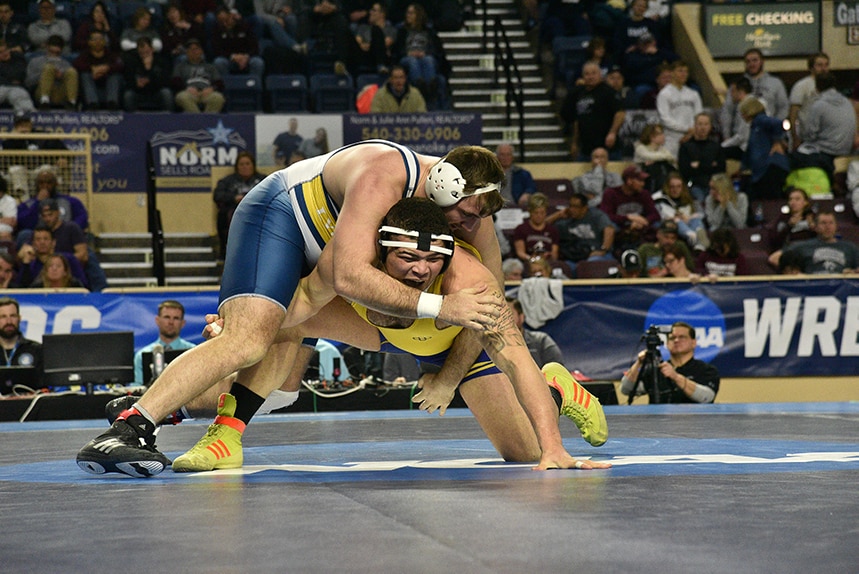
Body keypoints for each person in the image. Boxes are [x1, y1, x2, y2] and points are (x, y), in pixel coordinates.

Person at [75, 141, 513, 478]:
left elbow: (490, 304)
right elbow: (350, 277)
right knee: (248, 340)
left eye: (475, 218)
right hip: (284, 218)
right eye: (463, 215)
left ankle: (167, 403)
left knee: (281, 390)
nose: (467, 227)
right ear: (442, 185)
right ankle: (128, 429)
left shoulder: (470, 208)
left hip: (332, 264)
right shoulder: (383, 174)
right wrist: (443, 305)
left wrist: (451, 374)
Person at [169, 197, 609, 472]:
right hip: (381, 329)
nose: (421, 271)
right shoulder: (349, 265)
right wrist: (237, 326)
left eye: (432, 261)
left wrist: (553, 447)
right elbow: (293, 306)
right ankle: (226, 434)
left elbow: (515, 359)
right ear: (380, 251)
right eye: (407, 258)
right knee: (290, 325)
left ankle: (557, 390)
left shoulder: (472, 283)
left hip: (458, 343)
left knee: (525, 452)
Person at [620, 321, 719, 404]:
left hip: (693, 421)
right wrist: (638, 363)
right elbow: (626, 389)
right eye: (672, 338)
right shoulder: (656, 369)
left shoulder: (706, 370)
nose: (676, 340)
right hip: (658, 420)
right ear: (667, 344)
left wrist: (675, 377)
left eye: (682, 337)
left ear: (694, 343)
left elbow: (707, 397)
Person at [790, 72, 856, 184]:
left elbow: (809, 134)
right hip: (846, 149)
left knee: (793, 158)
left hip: (826, 152)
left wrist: (798, 135)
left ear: (817, 87)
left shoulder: (819, 105)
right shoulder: (846, 102)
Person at [560, 61, 625, 161]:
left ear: (600, 75)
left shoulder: (608, 91)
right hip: (586, 150)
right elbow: (577, 120)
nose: (590, 77)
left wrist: (612, 133)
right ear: (582, 76)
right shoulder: (579, 93)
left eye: (594, 73)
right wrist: (574, 142)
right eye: (587, 74)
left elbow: (620, 113)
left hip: (608, 149)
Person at [391, 3, 448, 108]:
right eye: (407, 13)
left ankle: (430, 88)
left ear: (418, 15)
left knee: (428, 60)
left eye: (411, 13)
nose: (408, 15)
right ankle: (420, 88)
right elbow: (397, 50)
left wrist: (424, 53)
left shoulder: (429, 31)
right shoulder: (402, 31)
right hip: (407, 57)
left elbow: (436, 49)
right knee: (413, 61)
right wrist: (408, 53)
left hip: (425, 56)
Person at [769, 209, 859, 275]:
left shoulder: (850, 248)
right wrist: (796, 273)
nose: (827, 227)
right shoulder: (804, 246)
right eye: (823, 223)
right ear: (815, 227)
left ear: (836, 226)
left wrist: (853, 273)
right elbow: (774, 258)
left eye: (831, 223)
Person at [547, 192, 616, 277]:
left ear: (584, 208)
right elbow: (541, 227)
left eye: (575, 207)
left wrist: (603, 250)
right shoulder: (565, 221)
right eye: (570, 206)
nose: (572, 209)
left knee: (590, 264)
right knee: (564, 267)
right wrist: (557, 215)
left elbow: (609, 230)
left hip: (598, 255)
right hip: (576, 258)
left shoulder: (596, 215)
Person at [213, 152, 265, 261]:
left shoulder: (264, 181)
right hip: (234, 212)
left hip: (259, 212)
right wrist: (234, 198)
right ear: (237, 167)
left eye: (247, 164)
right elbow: (218, 196)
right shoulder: (227, 181)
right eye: (241, 164)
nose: (245, 167)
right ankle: (225, 251)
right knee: (222, 215)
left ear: (253, 165)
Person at [133, 300, 198, 385]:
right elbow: (138, 387)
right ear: (157, 320)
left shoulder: (193, 352)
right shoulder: (141, 356)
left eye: (176, 318)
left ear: (183, 323)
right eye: (167, 317)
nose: (171, 322)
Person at [599, 165, 661, 254]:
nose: (643, 184)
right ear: (629, 181)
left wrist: (644, 221)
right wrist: (628, 218)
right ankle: (609, 252)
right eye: (640, 181)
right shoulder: (611, 193)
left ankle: (655, 251)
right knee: (610, 226)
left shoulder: (644, 194)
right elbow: (605, 216)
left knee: (658, 225)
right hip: (620, 226)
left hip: (640, 225)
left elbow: (655, 214)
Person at [739, 95, 790, 201]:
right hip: (764, 169)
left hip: (769, 168)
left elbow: (778, 123)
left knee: (770, 201)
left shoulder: (760, 120)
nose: (741, 116)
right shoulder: (755, 126)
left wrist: (777, 141)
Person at [16, 225, 88, 288]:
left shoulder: (68, 259)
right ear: (33, 243)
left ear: (53, 242)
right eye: (38, 239)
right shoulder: (30, 264)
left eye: (46, 239)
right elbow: (22, 289)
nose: (42, 242)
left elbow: (83, 285)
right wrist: (26, 263)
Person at [656, 60, 702, 157]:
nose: (684, 74)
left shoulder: (693, 94)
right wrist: (686, 129)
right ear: (672, 73)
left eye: (686, 71)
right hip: (672, 138)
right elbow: (665, 119)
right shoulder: (664, 94)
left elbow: (699, 116)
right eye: (680, 71)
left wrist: (691, 132)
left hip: (692, 137)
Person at [651, 172, 707, 251]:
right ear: (667, 187)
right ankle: (692, 236)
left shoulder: (689, 198)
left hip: (688, 222)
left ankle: (700, 243)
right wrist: (673, 219)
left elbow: (702, 213)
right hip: (670, 224)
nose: (675, 190)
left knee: (696, 219)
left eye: (678, 187)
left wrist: (689, 218)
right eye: (672, 187)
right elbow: (656, 218)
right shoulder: (659, 199)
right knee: (677, 221)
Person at [678, 112, 725, 203]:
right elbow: (684, 170)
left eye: (706, 124)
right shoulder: (686, 147)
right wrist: (710, 165)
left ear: (710, 126)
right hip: (693, 185)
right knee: (699, 199)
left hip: (713, 185)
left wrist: (698, 165)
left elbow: (721, 168)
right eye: (700, 124)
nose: (703, 127)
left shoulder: (716, 146)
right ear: (695, 126)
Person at [24, 34, 78, 111]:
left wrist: (61, 77)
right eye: (51, 52)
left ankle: (72, 102)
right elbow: (28, 83)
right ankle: (44, 101)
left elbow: (71, 82)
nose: (53, 55)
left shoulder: (66, 64)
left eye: (57, 53)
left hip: (60, 93)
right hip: (41, 92)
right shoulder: (35, 61)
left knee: (72, 71)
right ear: (47, 47)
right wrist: (45, 75)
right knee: (49, 68)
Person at [73, 30, 124, 110]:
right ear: (89, 42)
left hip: (108, 86)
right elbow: (77, 65)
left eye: (100, 39)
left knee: (115, 75)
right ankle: (92, 104)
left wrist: (106, 69)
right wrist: (92, 69)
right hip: (91, 86)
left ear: (104, 42)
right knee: (85, 75)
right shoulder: (85, 55)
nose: (98, 42)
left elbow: (120, 65)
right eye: (94, 39)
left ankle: (112, 103)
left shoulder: (110, 54)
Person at [788, 52, 829, 151]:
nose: (823, 68)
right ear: (811, 68)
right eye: (819, 65)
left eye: (826, 65)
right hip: (805, 139)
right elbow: (793, 114)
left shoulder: (830, 86)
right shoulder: (802, 86)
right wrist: (795, 137)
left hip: (826, 138)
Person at [506, 296, 563, 367]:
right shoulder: (493, 348)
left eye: (508, 314)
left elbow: (557, 371)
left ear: (521, 317)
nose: (502, 320)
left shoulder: (541, 342)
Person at [172, 38, 225, 113]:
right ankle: (198, 119)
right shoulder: (180, 67)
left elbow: (219, 83)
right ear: (187, 52)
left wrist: (212, 88)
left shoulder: (210, 67)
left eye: (196, 49)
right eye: (191, 49)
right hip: (188, 92)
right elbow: (175, 82)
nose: (194, 51)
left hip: (207, 92)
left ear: (201, 51)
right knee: (182, 97)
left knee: (218, 98)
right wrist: (186, 88)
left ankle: (207, 118)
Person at [211, 6, 264, 80]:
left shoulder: (244, 25)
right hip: (229, 59)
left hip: (246, 58)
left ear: (231, 16)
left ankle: (253, 84)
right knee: (218, 62)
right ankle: (226, 85)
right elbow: (217, 50)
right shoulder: (216, 29)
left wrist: (246, 57)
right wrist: (233, 57)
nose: (225, 24)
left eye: (226, 20)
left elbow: (255, 47)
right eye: (221, 21)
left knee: (257, 62)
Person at [122, 37, 173, 112]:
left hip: (156, 91)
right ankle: (130, 118)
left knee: (166, 93)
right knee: (128, 95)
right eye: (141, 53)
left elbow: (165, 81)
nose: (144, 55)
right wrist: (136, 84)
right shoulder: (132, 61)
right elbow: (128, 80)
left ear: (152, 49)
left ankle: (168, 117)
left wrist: (149, 75)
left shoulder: (161, 61)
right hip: (139, 92)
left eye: (147, 52)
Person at [512, 193, 560, 265]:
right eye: (536, 213)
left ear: (546, 213)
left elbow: (554, 255)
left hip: (547, 264)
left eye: (542, 213)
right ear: (530, 212)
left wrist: (548, 255)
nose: (539, 216)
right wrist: (532, 259)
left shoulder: (552, 230)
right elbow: (520, 252)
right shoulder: (521, 229)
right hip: (527, 263)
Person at [765, 187, 815, 254]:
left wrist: (813, 228)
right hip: (788, 249)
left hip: (808, 249)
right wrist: (789, 226)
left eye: (797, 199)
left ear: (805, 202)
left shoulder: (812, 217)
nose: (793, 202)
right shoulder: (783, 218)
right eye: (790, 199)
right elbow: (774, 240)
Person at [0, 297, 42, 377]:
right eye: (3, 317)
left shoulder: (37, 350)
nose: (9, 321)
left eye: (13, 316)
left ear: (19, 318)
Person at [633, 123, 676, 193]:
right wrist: (660, 159)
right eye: (660, 134)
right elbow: (650, 156)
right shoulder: (640, 148)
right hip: (643, 178)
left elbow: (672, 158)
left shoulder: (662, 149)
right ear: (651, 137)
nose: (663, 136)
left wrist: (657, 160)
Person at [719, 76, 754, 161]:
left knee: (717, 152)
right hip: (746, 145)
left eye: (732, 91)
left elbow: (741, 136)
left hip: (747, 148)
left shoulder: (747, 106)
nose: (730, 95)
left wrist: (723, 145)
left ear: (740, 91)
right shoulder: (745, 104)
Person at [495, 142, 535, 208]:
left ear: (512, 157)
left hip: (516, 207)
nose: (505, 158)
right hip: (495, 208)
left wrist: (527, 194)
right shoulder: (490, 174)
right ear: (497, 157)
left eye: (508, 154)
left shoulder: (522, 173)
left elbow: (531, 188)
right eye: (502, 155)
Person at [0, 39, 33, 112]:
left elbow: (19, 74)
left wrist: (6, 77)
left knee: (20, 95)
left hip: (16, 88)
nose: (4, 54)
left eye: (5, 50)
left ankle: (29, 117)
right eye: (0, 52)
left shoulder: (17, 57)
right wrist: (11, 81)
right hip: (2, 87)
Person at [0, 176, 16, 242]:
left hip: (4, 232)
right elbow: (7, 220)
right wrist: (3, 219)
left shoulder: (10, 201)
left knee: (5, 234)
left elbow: (12, 222)